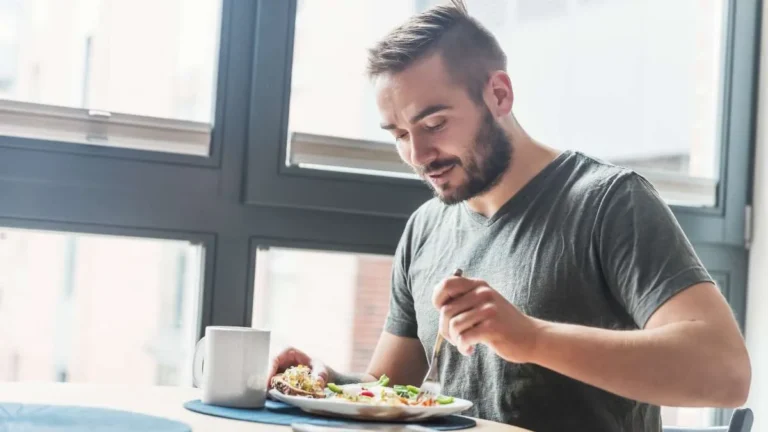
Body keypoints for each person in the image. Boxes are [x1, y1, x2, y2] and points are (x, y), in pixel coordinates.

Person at [268, 1, 751, 430]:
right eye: (398, 134)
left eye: (434, 123)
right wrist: (328, 384)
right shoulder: (426, 227)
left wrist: (532, 338)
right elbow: (389, 389)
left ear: (499, 95)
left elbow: (725, 374)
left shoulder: (610, 202)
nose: (418, 154)